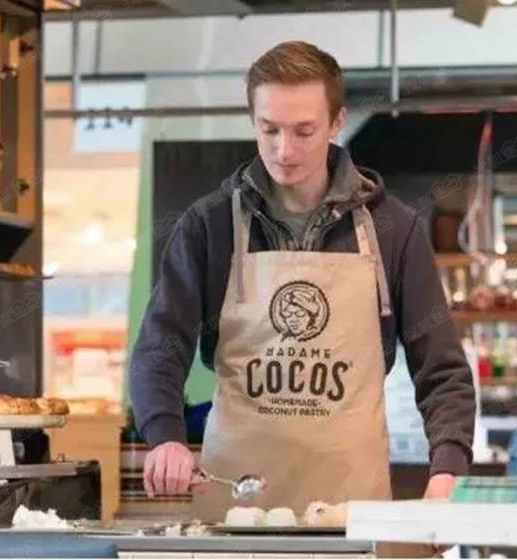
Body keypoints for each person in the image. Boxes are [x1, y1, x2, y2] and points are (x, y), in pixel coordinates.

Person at [129, 41, 476, 521]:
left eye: (303, 131)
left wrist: (447, 470)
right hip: (236, 507)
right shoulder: (209, 226)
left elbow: (442, 371)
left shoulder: (394, 230)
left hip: (352, 511)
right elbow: (160, 345)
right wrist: (165, 434)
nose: (284, 150)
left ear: (336, 123)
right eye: (269, 129)